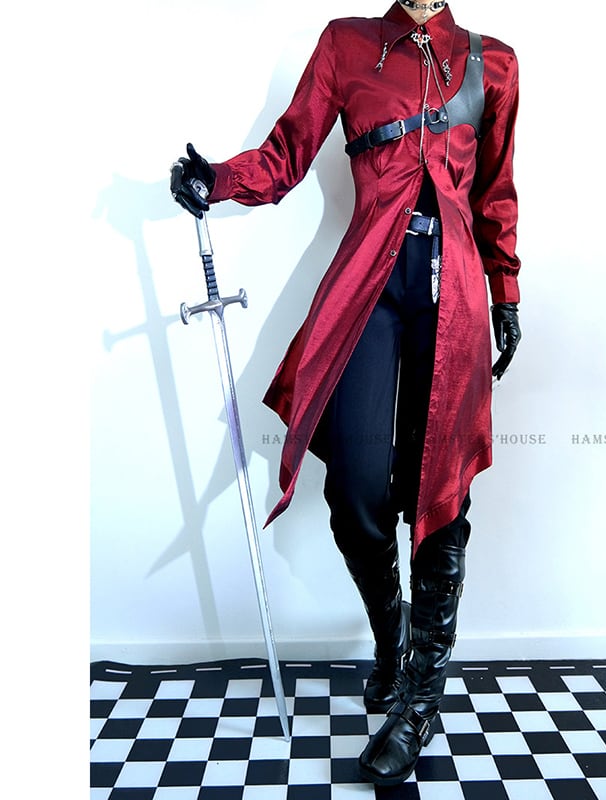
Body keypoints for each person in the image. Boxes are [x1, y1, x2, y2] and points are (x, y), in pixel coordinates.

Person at [171, 0, 521, 786]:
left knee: (440, 491)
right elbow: (287, 153)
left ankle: (419, 699)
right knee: (356, 492)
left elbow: (496, 190)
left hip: (457, 294)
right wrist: (215, 180)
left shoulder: (492, 61)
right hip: (370, 282)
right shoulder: (347, 43)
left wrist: (506, 293)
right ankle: (391, 636)